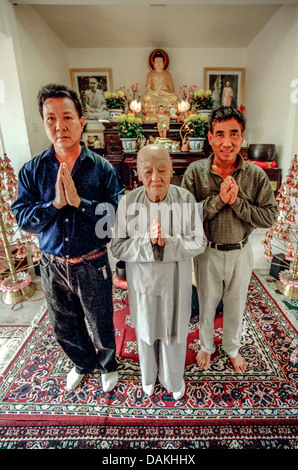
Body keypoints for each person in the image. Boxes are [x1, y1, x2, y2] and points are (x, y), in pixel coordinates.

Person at [11, 83, 125, 392]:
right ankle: (81, 362)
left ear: (81, 119)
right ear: (44, 121)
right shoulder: (32, 171)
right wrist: (55, 205)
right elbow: (22, 216)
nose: (60, 126)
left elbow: (117, 218)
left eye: (67, 117)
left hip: (92, 261)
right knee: (64, 323)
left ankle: (106, 364)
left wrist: (81, 203)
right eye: (51, 118)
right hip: (51, 263)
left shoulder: (101, 168)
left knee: (100, 319)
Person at [182, 106, 277, 373]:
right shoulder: (195, 172)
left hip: (241, 252)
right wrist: (218, 201)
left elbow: (268, 217)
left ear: (242, 136)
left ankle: (232, 347)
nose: (227, 142)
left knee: (236, 302)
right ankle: (206, 346)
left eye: (234, 134)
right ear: (210, 137)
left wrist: (237, 203)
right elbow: (186, 216)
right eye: (220, 134)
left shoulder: (255, 175)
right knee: (207, 302)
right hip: (207, 251)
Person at [110, 144, 206, 399]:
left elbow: (199, 241)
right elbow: (117, 246)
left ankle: (173, 378)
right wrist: (146, 242)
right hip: (143, 283)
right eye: (148, 170)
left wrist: (168, 243)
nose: (156, 177)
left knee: (175, 331)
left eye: (162, 169)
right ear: (138, 173)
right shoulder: (128, 202)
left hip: (176, 282)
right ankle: (148, 376)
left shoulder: (185, 199)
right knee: (145, 328)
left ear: (172, 170)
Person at [142, 50, 178, 123]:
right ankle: (152, 114)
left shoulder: (167, 74)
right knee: (146, 97)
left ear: (164, 63)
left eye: (160, 62)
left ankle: (170, 114)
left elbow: (172, 89)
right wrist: (154, 92)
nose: (158, 63)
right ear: (153, 63)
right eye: (157, 61)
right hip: (154, 95)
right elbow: (148, 88)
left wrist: (165, 92)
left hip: (165, 95)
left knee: (174, 97)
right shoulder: (150, 74)